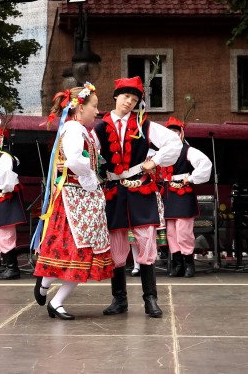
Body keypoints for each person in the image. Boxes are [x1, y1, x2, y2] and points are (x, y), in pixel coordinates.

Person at [93, 77, 182, 318]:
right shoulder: (99, 126)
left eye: (134, 99)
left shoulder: (145, 124)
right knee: (116, 246)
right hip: (112, 189)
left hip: (140, 187)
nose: (129, 102)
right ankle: (119, 299)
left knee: (146, 242)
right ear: (115, 96)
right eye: (125, 97)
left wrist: (154, 161)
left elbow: (174, 143)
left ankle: (150, 300)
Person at [33, 83, 113, 320]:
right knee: (75, 251)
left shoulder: (86, 131)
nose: (97, 112)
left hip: (86, 199)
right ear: (80, 107)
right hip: (73, 197)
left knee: (82, 253)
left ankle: (53, 298)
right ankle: (47, 287)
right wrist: (88, 174)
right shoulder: (74, 129)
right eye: (95, 107)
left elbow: (90, 160)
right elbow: (77, 160)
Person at [161, 117, 212, 278]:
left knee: (184, 230)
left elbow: (205, 164)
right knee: (170, 231)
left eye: (176, 132)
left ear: (181, 133)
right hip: (169, 191)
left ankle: (189, 263)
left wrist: (190, 179)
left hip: (183, 190)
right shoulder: (162, 152)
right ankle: (178, 264)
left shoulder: (188, 150)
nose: (173, 135)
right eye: (170, 133)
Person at [0, 130, 27, 280]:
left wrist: (2, 190)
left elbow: (8, 178)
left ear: (0, 140)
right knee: (1, 233)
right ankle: (8, 266)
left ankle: (12, 268)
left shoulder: (4, 156)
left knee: (4, 234)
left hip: (4, 196)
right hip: (1, 196)